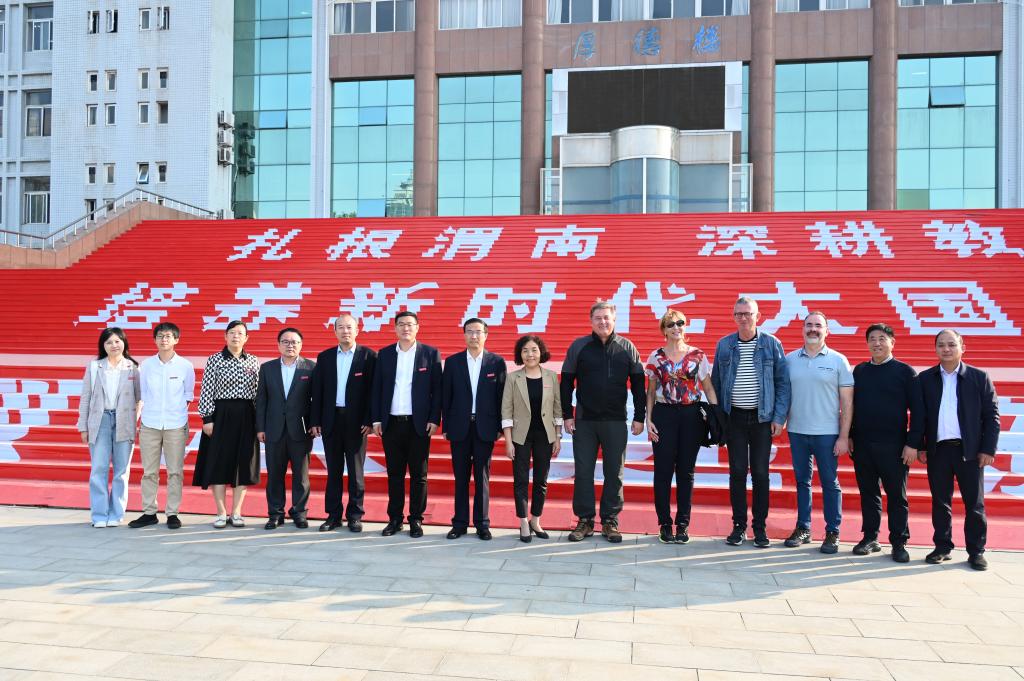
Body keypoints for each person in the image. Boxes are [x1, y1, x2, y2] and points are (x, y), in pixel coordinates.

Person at [912, 329, 999, 571]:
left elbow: (992, 416)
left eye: (951, 344)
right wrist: (921, 446)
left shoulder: (979, 377)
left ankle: (976, 551)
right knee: (940, 502)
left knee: (974, 504)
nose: (946, 349)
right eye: (941, 345)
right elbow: (920, 416)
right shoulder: (925, 379)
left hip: (969, 451)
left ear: (962, 347)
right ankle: (942, 547)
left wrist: (988, 449)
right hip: (938, 450)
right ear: (935, 349)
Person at [561, 300, 646, 544]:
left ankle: (610, 520)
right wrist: (567, 414)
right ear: (591, 321)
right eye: (598, 318)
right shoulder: (579, 347)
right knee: (583, 472)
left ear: (614, 319)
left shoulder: (627, 347)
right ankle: (585, 520)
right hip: (585, 421)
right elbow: (566, 382)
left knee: (614, 473)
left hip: (615, 421)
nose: (603, 322)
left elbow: (638, 385)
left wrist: (639, 417)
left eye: (607, 317)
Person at [711, 296, 790, 548]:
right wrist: (718, 419)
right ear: (734, 317)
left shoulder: (771, 344)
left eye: (748, 313)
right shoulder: (724, 345)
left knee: (760, 473)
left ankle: (760, 527)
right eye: (739, 314)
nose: (743, 318)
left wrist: (779, 416)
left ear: (758, 316)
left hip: (761, 418)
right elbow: (716, 383)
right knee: (737, 472)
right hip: (734, 418)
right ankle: (738, 526)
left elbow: (783, 383)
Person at [644, 310, 718, 544]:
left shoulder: (698, 356)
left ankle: (683, 524)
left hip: (691, 415)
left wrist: (716, 416)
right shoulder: (656, 356)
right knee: (663, 471)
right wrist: (648, 419)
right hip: (664, 414)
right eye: (671, 324)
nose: (676, 327)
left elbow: (707, 387)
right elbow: (650, 391)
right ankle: (665, 524)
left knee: (686, 471)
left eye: (680, 323)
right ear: (664, 330)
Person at [783, 311, 854, 554]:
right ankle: (803, 527)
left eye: (818, 326)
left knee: (829, 482)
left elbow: (847, 402)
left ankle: (833, 531)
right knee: (802, 481)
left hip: (827, 433)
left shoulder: (838, 360)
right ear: (803, 329)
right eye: (809, 325)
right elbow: (784, 395)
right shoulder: (790, 360)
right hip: (797, 431)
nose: (813, 329)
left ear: (826, 331)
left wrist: (843, 436)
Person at [850, 323, 920, 563]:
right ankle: (870, 537)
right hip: (863, 445)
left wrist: (913, 443)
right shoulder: (860, 371)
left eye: (882, 338)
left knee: (897, 496)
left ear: (892, 342)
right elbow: (852, 407)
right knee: (868, 493)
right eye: (872, 339)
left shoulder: (905, 372)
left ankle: (899, 542)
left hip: (895, 447)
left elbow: (918, 412)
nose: (877, 343)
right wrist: (850, 435)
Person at [371, 311, 442, 538]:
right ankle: (395, 519)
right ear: (395, 328)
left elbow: (437, 390)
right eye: (401, 324)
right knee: (395, 474)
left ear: (417, 327)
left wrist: (434, 418)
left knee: (419, 475)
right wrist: (377, 419)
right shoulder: (384, 354)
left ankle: (416, 519)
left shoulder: (430, 354)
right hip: (391, 423)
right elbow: (377, 388)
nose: (405, 328)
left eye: (410, 324)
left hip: (418, 424)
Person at [310, 313, 377, 532]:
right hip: (331, 420)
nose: (345, 331)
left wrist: (369, 419)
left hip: (357, 423)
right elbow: (318, 391)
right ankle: (333, 515)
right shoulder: (325, 357)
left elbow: (373, 391)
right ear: (334, 331)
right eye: (341, 327)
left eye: (349, 327)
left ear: (357, 330)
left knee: (356, 472)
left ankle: (355, 516)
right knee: (334, 471)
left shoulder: (368, 356)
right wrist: (315, 420)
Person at [442, 318, 507, 541]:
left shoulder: (496, 362)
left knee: (482, 477)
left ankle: (482, 524)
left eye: (478, 332)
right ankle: (459, 523)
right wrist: (446, 425)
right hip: (459, 427)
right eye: (469, 331)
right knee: (460, 477)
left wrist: (500, 426)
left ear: (486, 335)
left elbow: (501, 397)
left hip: (485, 428)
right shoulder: (453, 362)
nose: (474, 336)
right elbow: (446, 397)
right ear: (464, 335)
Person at [192, 320, 260, 528]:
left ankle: (236, 512)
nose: (236, 336)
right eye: (232, 332)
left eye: (240, 333)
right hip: (221, 416)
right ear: (225, 336)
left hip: (247, 416)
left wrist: (260, 422)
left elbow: (258, 393)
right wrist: (207, 419)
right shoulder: (215, 359)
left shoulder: (253, 361)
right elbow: (206, 389)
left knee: (243, 464)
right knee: (219, 463)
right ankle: (221, 513)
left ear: (246, 338)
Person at [129, 322, 196, 530]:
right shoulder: (146, 365)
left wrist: (176, 414)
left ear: (176, 339)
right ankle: (149, 512)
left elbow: (188, 396)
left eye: (168, 336)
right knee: (149, 471)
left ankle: (172, 513)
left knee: (175, 471)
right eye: (160, 336)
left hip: (176, 425)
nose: (164, 339)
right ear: (155, 340)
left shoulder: (185, 366)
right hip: (150, 423)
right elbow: (142, 395)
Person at [77, 327, 141, 528]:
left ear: (124, 343)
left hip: (124, 422)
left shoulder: (133, 368)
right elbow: (85, 398)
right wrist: (83, 426)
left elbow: (140, 398)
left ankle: (116, 513)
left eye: (117, 341)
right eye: (109, 342)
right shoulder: (94, 367)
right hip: (100, 421)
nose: (114, 345)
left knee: (121, 470)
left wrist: (134, 420)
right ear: (103, 346)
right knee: (99, 468)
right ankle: (99, 515)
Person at [501, 335, 562, 542]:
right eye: (525, 350)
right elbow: (506, 410)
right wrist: (508, 441)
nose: (530, 354)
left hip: (545, 435)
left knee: (541, 480)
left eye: (534, 350)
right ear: (520, 354)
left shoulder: (551, 377)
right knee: (520, 480)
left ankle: (536, 520)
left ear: (541, 352)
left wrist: (558, 437)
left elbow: (557, 408)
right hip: (520, 436)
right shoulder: (513, 378)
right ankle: (523, 522)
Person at [256, 328, 315, 530]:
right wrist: (260, 427)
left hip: (301, 430)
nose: (290, 345)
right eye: (286, 341)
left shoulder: (311, 368)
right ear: (279, 344)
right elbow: (262, 400)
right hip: (274, 430)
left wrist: (314, 424)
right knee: (274, 475)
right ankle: (275, 514)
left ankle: (300, 513)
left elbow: (316, 400)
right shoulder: (267, 368)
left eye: (294, 342)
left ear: (301, 345)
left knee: (301, 476)